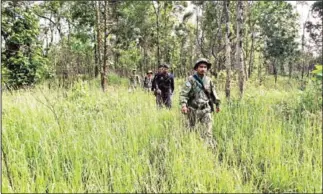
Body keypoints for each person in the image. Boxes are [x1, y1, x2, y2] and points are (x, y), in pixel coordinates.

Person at [179, 58, 220, 149]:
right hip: (193, 109)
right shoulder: (191, 80)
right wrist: (184, 105)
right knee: (191, 129)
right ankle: (190, 146)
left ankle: (207, 147)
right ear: (196, 68)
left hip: (206, 109)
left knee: (208, 130)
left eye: (205, 67)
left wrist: (217, 104)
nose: (203, 69)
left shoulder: (209, 80)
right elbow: (184, 94)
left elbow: (213, 93)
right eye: (201, 67)